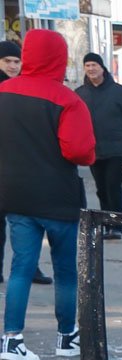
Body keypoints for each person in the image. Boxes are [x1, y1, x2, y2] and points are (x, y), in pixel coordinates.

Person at [0, 29, 96, 360]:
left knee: (21, 268)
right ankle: (66, 337)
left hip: (15, 195)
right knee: (66, 270)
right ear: (59, 57)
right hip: (58, 198)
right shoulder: (68, 100)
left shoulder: (3, 92)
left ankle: (12, 339)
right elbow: (80, 151)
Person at [0, 39, 52, 287]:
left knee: (27, 222)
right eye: (7, 61)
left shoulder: (23, 86)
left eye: (16, 61)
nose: (12, 65)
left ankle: (30, 268)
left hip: (20, 163)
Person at [76, 52, 122, 241]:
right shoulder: (80, 93)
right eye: (87, 65)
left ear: (102, 68)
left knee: (113, 186)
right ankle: (106, 223)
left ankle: (116, 226)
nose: (91, 69)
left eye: (94, 65)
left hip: (116, 148)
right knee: (101, 188)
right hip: (93, 149)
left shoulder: (119, 92)